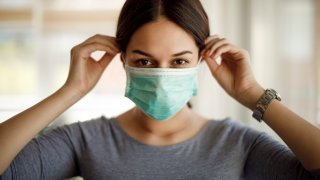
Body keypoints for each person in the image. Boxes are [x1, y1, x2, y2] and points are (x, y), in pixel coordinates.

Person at [0, 0, 319, 179]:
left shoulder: (237, 143)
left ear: (201, 60)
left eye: (179, 62)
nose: (163, 74)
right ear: (123, 60)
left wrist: (252, 93)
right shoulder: (85, 140)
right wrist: (71, 90)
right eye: (145, 61)